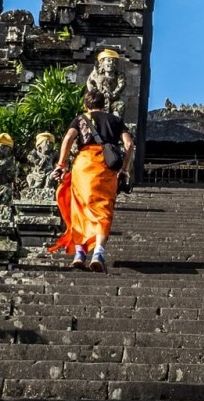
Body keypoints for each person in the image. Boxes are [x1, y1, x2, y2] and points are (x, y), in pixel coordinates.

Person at [52, 90, 134, 272]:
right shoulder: (115, 120)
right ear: (104, 104)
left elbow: (68, 138)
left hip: (83, 165)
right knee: (103, 209)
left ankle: (79, 254)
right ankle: (98, 253)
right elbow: (129, 144)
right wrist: (125, 169)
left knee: (80, 209)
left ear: (85, 105)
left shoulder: (80, 119)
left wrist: (61, 165)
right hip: (106, 167)